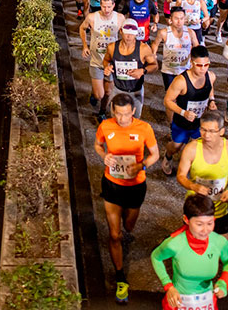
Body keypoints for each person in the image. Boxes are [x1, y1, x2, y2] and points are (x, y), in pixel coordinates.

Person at [95, 93, 159, 304]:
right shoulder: (106, 126)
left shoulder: (144, 128)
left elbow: (155, 154)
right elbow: (97, 145)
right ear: (113, 110)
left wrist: (141, 165)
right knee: (115, 235)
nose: (122, 119)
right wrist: (104, 156)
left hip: (136, 185)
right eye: (118, 114)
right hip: (112, 184)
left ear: (132, 111)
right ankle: (121, 277)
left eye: (125, 114)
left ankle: (125, 229)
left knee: (129, 227)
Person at [150, 194, 228, 310]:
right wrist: (168, 286)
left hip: (207, 301)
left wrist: (224, 282)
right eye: (199, 224)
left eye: (210, 223)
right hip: (179, 301)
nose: (206, 230)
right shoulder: (174, 244)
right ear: (186, 220)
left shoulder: (220, 242)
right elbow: (156, 257)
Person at [176, 111, 228, 238]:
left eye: (212, 131)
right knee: (195, 247)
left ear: (222, 131)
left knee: (222, 249)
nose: (206, 135)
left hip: (219, 209)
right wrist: (194, 187)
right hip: (196, 208)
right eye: (203, 130)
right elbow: (180, 176)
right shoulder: (191, 149)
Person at [160, 46, 216, 174]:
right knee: (176, 146)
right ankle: (168, 156)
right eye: (199, 65)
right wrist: (183, 113)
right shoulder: (181, 81)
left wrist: (212, 100)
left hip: (200, 122)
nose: (203, 69)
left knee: (201, 146)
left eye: (206, 65)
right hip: (182, 122)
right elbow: (167, 101)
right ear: (191, 63)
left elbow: (210, 87)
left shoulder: (211, 76)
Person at [150, 7, 201, 122]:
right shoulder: (164, 32)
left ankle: (185, 119)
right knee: (171, 99)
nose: (179, 21)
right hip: (169, 71)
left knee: (186, 96)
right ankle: (172, 124)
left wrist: (197, 60)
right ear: (170, 19)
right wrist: (153, 55)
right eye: (176, 18)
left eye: (182, 18)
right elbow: (155, 44)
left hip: (185, 70)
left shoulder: (190, 32)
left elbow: (197, 47)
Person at [79, 0, 125, 117]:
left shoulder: (120, 18)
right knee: (99, 94)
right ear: (100, 5)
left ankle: (102, 112)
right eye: (104, 7)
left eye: (109, 7)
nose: (106, 10)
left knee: (108, 92)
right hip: (96, 61)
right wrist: (85, 46)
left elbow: (125, 36)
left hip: (111, 62)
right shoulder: (92, 17)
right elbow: (82, 28)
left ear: (114, 5)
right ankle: (94, 92)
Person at [102, 19, 157, 119]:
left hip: (136, 91)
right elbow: (106, 60)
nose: (129, 37)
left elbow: (154, 65)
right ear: (121, 31)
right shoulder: (112, 47)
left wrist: (143, 71)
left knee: (134, 120)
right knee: (116, 119)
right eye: (126, 33)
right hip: (118, 89)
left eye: (132, 34)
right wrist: (107, 67)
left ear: (136, 34)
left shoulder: (143, 48)